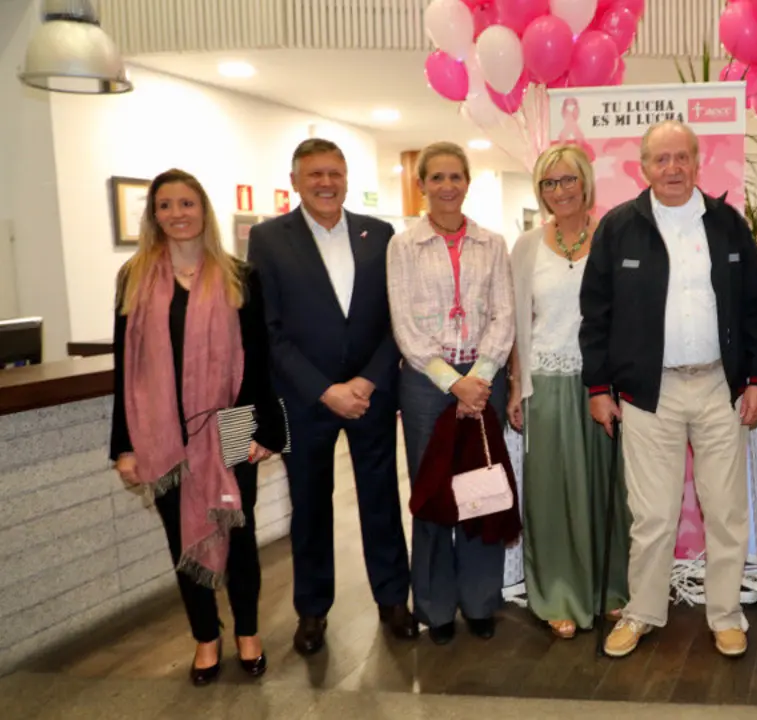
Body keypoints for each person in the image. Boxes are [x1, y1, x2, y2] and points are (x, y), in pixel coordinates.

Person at [580, 120, 757, 659]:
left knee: (726, 510)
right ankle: (642, 612)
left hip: (718, 388)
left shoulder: (727, 224)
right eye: (660, 159)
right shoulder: (619, 227)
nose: (672, 168)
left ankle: (726, 615)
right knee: (654, 515)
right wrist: (599, 387)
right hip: (647, 394)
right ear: (644, 167)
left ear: (696, 162)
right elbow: (595, 315)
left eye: (681, 157)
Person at [110, 169, 287, 685]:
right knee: (181, 537)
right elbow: (127, 365)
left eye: (186, 204)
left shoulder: (239, 275)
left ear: (202, 210)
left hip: (231, 423)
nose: (177, 214)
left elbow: (260, 359)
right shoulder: (134, 277)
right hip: (161, 430)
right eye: (165, 206)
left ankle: (248, 633)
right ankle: (205, 638)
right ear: (154, 215)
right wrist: (123, 445)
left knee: (240, 532)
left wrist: (269, 432)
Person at [247, 139, 417, 654]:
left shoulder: (380, 234)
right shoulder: (269, 239)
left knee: (381, 501)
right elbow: (268, 330)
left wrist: (366, 381)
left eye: (335, 173)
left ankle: (393, 600)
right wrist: (324, 390)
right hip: (305, 400)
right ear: (295, 180)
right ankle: (312, 612)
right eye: (315, 174)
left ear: (346, 178)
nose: (326, 183)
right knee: (310, 508)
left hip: (371, 395)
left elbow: (397, 318)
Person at [388, 141, 515, 645]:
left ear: (468, 182)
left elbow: (504, 317)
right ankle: (437, 608)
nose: (446, 186)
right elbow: (403, 324)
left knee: (480, 491)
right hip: (426, 383)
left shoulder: (493, 242)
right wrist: (453, 382)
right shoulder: (404, 245)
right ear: (421, 185)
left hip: (485, 379)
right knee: (433, 494)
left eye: (455, 177)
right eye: (436, 178)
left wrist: (479, 378)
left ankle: (481, 600)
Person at [508, 144, 630, 639]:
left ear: (585, 183)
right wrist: (518, 385)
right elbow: (518, 322)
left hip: (604, 384)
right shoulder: (527, 247)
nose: (559, 191)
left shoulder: (614, 239)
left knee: (608, 489)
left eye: (566, 180)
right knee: (553, 492)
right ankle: (559, 590)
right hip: (548, 382)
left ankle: (611, 589)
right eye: (548, 184)